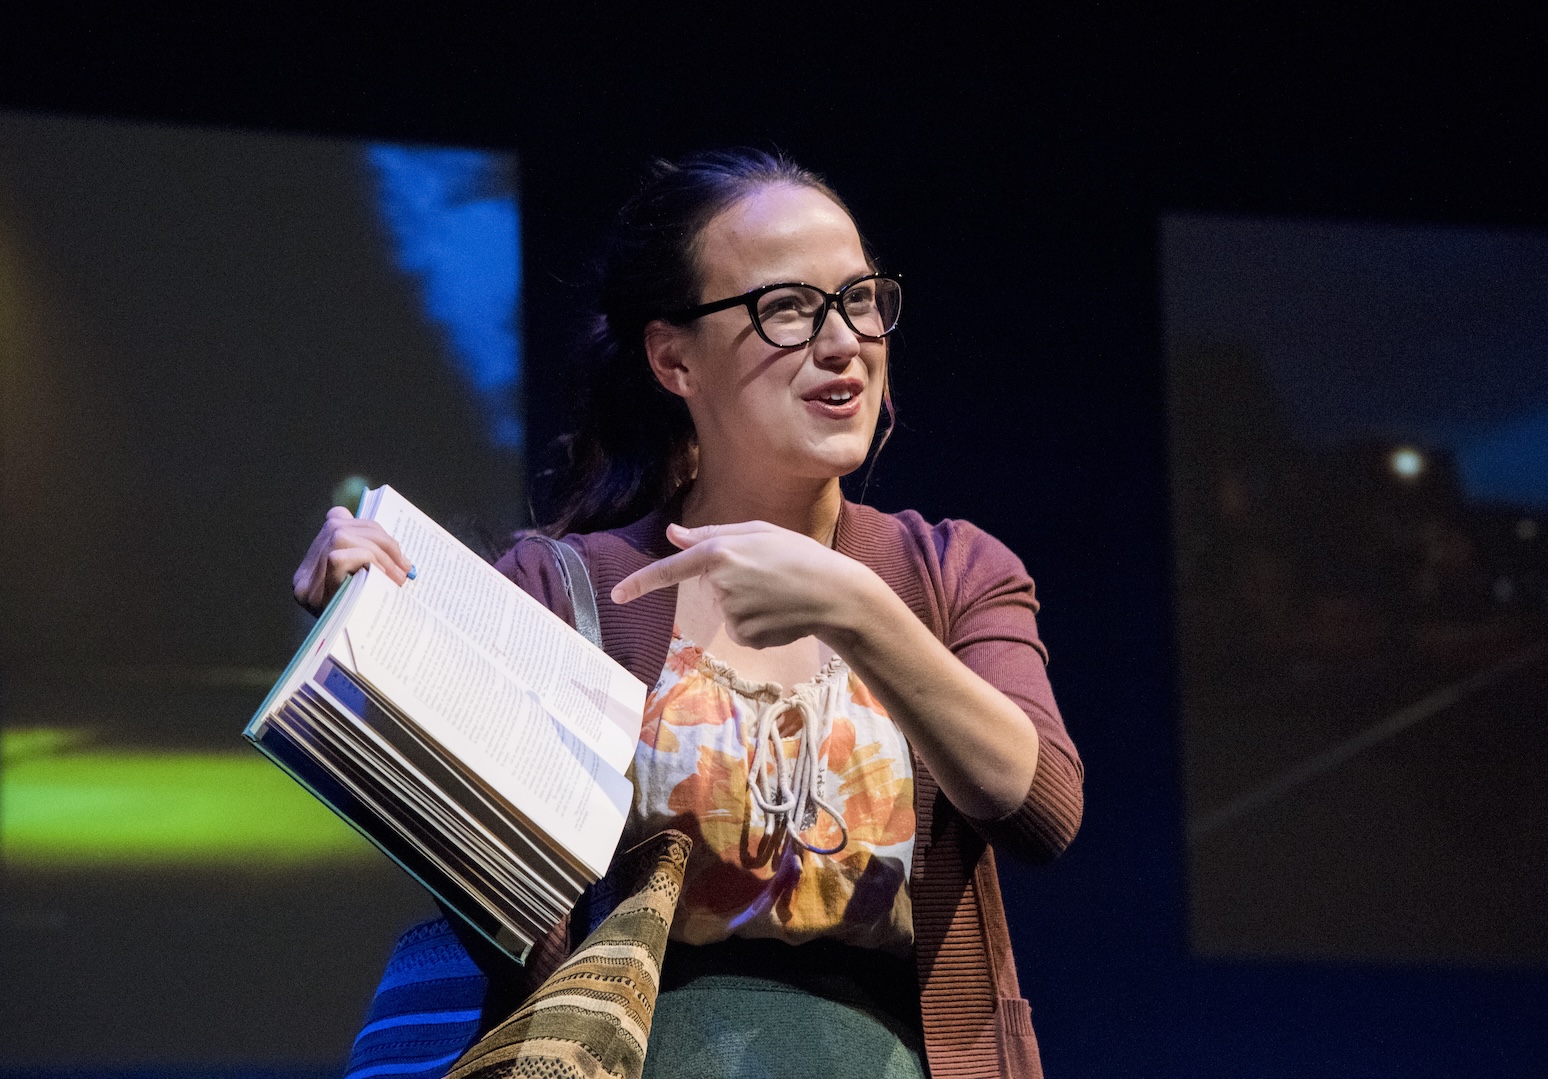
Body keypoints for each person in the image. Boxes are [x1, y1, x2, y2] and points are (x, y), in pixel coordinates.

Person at [294, 149, 1083, 1078]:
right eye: (787, 309)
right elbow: (496, 899)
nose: (843, 343)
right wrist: (372, 630)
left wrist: (859, 609)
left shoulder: (949, 572)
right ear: (673, 359)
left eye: (860, 298)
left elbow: (1039, 807)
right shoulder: (563, 589)